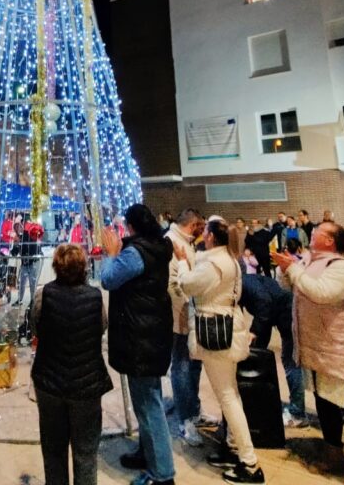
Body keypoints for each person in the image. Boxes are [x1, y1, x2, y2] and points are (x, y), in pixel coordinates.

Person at [273, 222, 344, 485]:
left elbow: (321, 293)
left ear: (330, 241)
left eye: (319, 231)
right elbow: (291, 288)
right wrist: (286, 268)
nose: (313, 234)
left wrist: (295, 268)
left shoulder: (342, 267)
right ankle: (332, 453)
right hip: (318, 346)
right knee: (326, 404)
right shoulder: (311, 260)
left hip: (342, 348)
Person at [173, 218, 265, 484]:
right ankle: (234, 448)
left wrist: (181, 262)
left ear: (212, 237)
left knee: (227, 396)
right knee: (230, 393)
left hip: (216, 331)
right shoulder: (228, 260)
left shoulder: (214, 263)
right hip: (227, 325)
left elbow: (188, 285)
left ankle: (249, 463)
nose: (202, 235)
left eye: (206, 232)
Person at [102, 204, 175, 485]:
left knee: (148, 404)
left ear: (131, 227)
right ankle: (148, 452)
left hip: (140, 336)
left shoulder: (136, 253)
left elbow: (109, 279)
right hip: (151, 331)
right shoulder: (159, 246)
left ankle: (163, 474)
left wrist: (111, 253)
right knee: (147, 398)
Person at [31, 244, 112, 485]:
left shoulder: (43, 295)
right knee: (86, 453)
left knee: (53, 451)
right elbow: (101, 327)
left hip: (49, 383)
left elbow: (36, 327)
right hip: (87, 384)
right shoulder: (95, 296)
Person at [240, 270, 306, 428]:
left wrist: (254, 331)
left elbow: (265, 304)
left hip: (289, 316)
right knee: (291, 362)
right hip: (285, 314)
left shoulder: (245, 284)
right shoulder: (246, 282)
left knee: (291, 363)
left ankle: (297, 414)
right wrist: (258, 343)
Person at [166, 208, 208, 447]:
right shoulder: (172, 244)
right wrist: (190, 299)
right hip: (180, 315)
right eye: (200, 229)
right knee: (181, 365)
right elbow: (174, 284)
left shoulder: (186, 243)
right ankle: (185, 419)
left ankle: (193, 408)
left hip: (192, 314)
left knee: (194, 363)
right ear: (193, 226)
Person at [15, 218, 44, 306]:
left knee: (31, 284)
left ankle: (31, 301)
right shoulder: (23, 235)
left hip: (32, 262)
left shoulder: (30, 234)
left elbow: (34, 247)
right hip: (26, 263)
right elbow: (21, 248)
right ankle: (22, 300)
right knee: (23, 283)